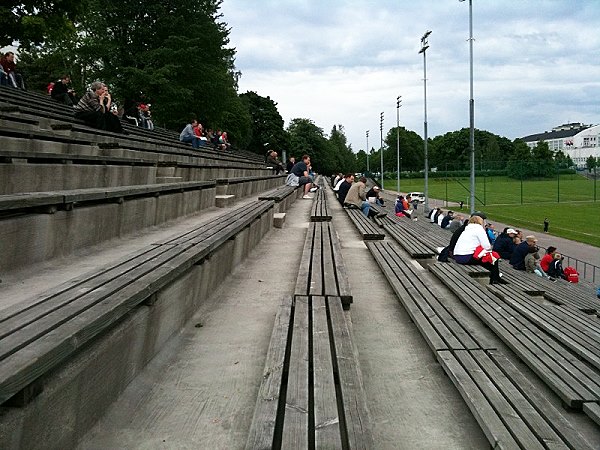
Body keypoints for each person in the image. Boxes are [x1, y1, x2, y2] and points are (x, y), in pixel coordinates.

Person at [453, 215, 506, 284]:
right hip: (466, 257)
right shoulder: (479, 229)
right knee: (493, 257)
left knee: (487, 259)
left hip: (458, 256)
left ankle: (493, 277)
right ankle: (495, 278)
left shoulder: (466, 230)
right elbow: (487, 246)